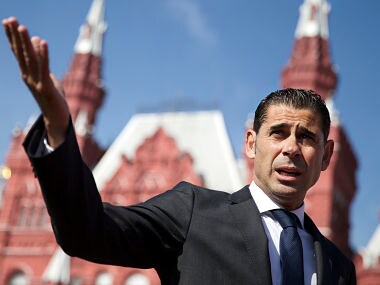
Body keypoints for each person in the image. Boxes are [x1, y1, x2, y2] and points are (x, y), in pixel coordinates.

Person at [3, 17, 356, 284]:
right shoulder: (194, 213)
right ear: (250, 144)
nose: (291, 148)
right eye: (277, 133)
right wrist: (56, 124)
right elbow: (86, 231)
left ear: (326, 156)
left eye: (306, 137)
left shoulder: (339, 268)